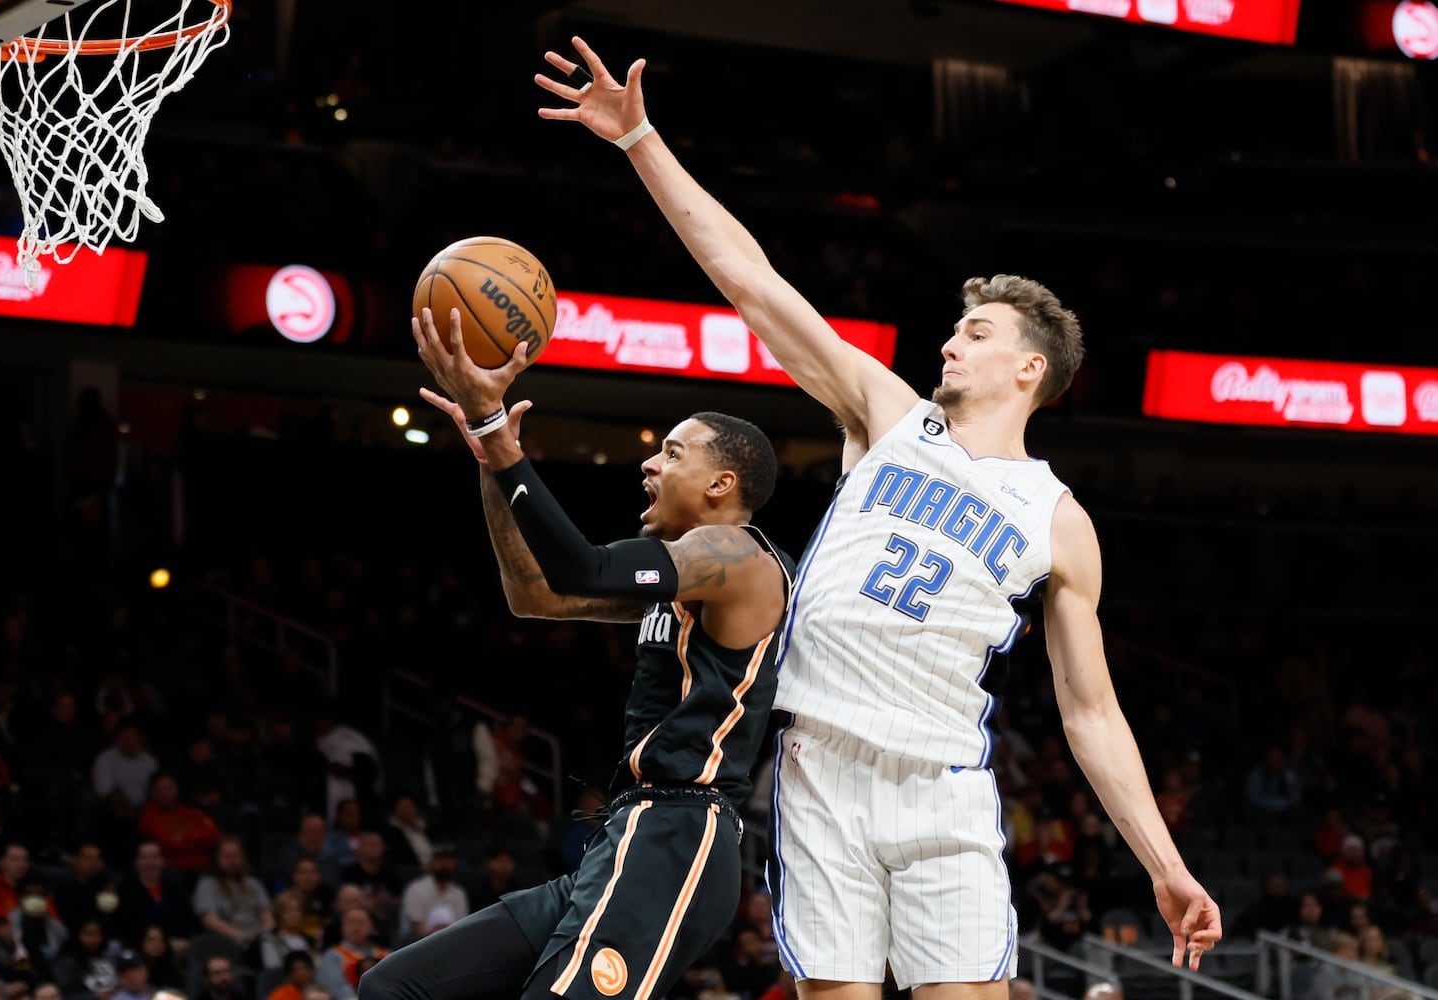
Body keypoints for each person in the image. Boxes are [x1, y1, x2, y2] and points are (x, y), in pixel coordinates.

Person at [530, 35, 1223, 997]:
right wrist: (640, 137)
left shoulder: (1058, 519)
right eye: (953, 326)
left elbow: (1090, 709)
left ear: (1031, 369)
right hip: (819, 766)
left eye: (975, 332)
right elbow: (752, 283)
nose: (951, 339)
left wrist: (1164, 860)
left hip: (941, 782)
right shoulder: (890, 416)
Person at [357, 307, 793, 1000]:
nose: (650, 461)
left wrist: (502, 437)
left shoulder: (735, 555)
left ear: (722, 484)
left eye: (675, 453)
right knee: (398, 987)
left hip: (681, 835)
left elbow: (582, 570)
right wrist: (487, 457)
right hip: (628, 833)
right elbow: (536, 594)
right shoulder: (690, 571)